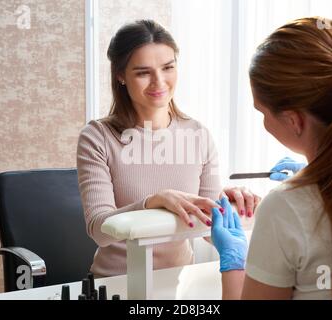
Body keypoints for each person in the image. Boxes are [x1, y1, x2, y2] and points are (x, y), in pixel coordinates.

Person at [211, 17, 332, 300]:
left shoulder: (283, 210)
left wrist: (233, 265)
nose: (263, 121)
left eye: (262, 112)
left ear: (294, 120)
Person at [77, 20, 262, 277]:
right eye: (143, 72)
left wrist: (232, 206)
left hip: (180, 283)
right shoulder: (97, 137)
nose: (159, 82)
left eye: (168, 68)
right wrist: (153, 201)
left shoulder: (198, 135)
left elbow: (209, 232)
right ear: (120, 75)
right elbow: (99, 230)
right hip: (116, 283)